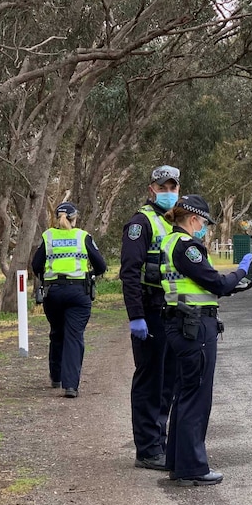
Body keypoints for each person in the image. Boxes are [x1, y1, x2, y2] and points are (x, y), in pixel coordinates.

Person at [159, 195, 252, 486]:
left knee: (185, 394)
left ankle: (177, 461)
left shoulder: (171, 243)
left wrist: (232, 285)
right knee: (196, 397)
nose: (205, 228)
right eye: (203, 223)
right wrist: (242, 271)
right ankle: (192, 468)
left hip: (185, 322)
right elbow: (215, 283)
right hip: (194, 326)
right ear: (193, 219)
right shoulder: (187, 247)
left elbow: (204, 284)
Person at [119, 165, 181, 471]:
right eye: (163, 187)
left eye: (173, 187)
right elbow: (129, 273)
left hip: (170, 311)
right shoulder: (140, 223)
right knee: (150, 381)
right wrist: (136, 316)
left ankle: (160, 441)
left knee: (167, 381)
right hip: (149, 311)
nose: (168, 192)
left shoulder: (173, 222)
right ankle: (146, 449)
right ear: (151, 189)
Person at [31, 202, 107, 398]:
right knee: (74, 336)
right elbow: (101, 265)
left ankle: (56, 377)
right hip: (78, 292)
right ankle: (70, 386)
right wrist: (90, 274)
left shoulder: (48, 236)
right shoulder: (82, 236)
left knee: (57, 332)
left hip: (53, 292)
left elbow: (36, 264)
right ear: (74, 218)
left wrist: (47, 275)